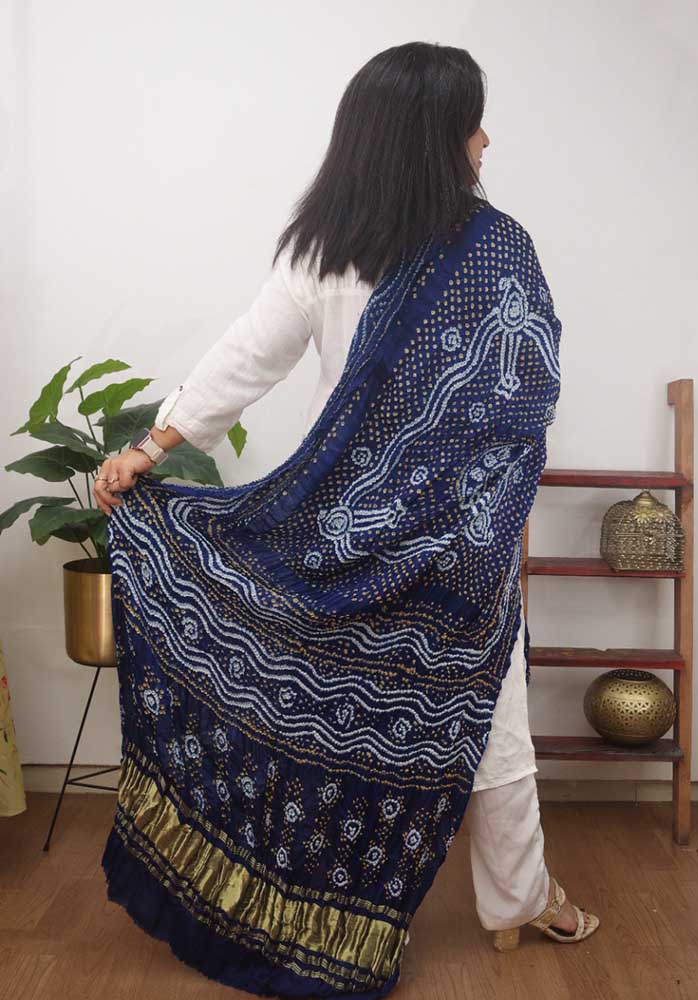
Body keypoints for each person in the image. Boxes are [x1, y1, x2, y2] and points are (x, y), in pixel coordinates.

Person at [94, 40, 598, 966]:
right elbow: (520, 399)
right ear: (434, 136)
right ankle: (517, 903)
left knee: (306, 713)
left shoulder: (329, 250)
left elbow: (247, 358)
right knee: (493, 719)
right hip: (457, 548)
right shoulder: (494, 251)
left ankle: (284, 902)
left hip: (336, 540)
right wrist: (482, 506)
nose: (486, 141)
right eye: (473, 124)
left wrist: (151, 446)